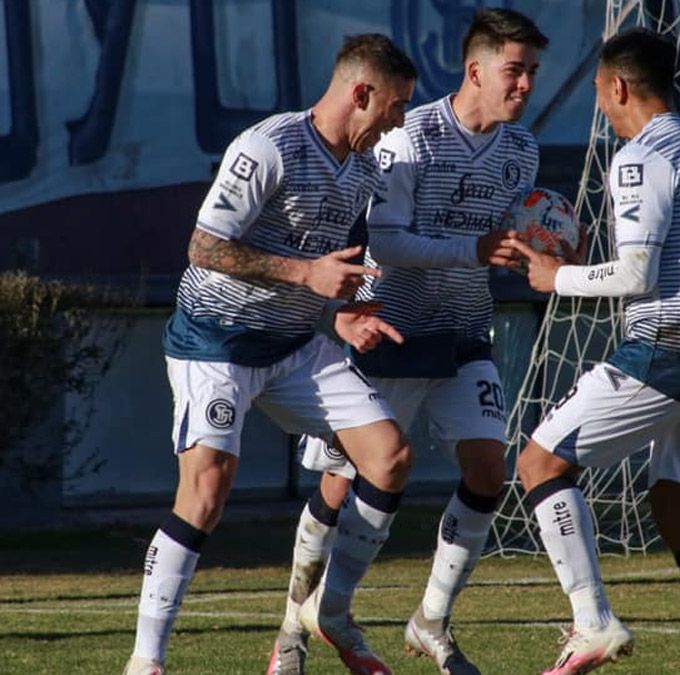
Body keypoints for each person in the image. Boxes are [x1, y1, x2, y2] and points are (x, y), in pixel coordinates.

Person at [123, 35, 418, 675]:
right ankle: (145, 663)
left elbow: (327, 264)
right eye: (395, 108)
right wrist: (307, 276)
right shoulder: (268, 147)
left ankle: (329, 610)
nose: (398, 122)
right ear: (360, 93)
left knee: (389, 457)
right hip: (217, 342)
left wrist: (342, 310)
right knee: (205, 490)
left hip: (292, 347)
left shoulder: (365, 168)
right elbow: (204, 247)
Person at [266, 9, 548, 675]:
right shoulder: (411, 135)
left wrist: (548, 248)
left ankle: (430, 619)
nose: (527, 86)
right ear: (474, 70)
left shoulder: (521, 150)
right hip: (390, 327)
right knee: (343, 483)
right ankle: (290, 630)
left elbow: (508, 235)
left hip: (461, 332)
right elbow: (384, 238)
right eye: (515, 71)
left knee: (488, 468)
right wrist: (472, 248)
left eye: (534, 72)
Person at [508, 28, 680, 675]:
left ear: (618, 87)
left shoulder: (641, 155)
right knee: (678, 503)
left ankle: (592, 621)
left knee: (540, 460)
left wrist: (555, 277)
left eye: (598, 92)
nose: (600, 104)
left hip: (673, 346)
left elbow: (638, 274)